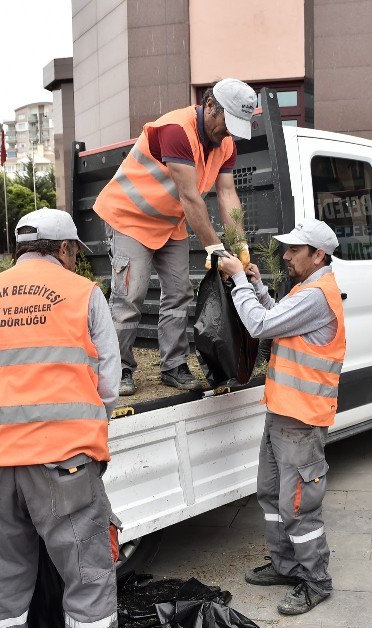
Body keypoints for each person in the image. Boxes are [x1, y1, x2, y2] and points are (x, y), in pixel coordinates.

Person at [0, 208, 121, 628]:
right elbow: (109, 386)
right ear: (65, 249)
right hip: (63, 467)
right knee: (87, 585)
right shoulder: (83, 294)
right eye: (74, 253)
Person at [93, 78, 257, 397]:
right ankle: (119, 369)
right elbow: (191, 198)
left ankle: (174, 366)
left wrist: (241, 248)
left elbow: (227, 195)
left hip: (169, 222)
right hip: (130, 216)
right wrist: (216, 250)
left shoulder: (225, 143)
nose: (230, 132)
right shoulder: (176, 130)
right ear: (210, 106)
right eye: (228, 122)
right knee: (131, 295)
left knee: (179, 293)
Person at [218, 218, 344, 616]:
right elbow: (278, 322)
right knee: (271, 494)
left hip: (301, 421)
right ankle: (285, 565)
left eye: (294, 250)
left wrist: (238, 280)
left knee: (298, 505)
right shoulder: (306, 290)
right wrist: (255, 286)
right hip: (283, 414)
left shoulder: (316, 295)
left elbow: (259, 325)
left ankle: (315, 581)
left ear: (318, 255)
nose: (286, 256)